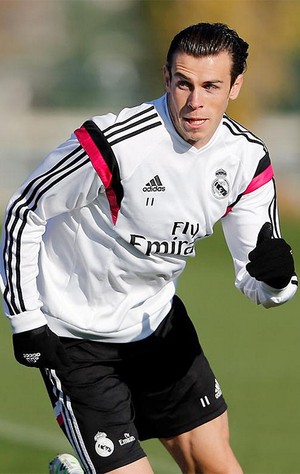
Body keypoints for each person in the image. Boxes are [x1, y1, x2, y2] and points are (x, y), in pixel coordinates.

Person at [0, 22, 297, 474]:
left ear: (235, 87)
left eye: (212, 86)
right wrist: (26, 321)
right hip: (77, 338)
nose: (195, 102)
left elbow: (255, 277)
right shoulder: (114, 144)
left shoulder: (246, 159)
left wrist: (277, 282)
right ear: (166, 78)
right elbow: (25, 210)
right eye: (184, 84)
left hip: (158, 327)